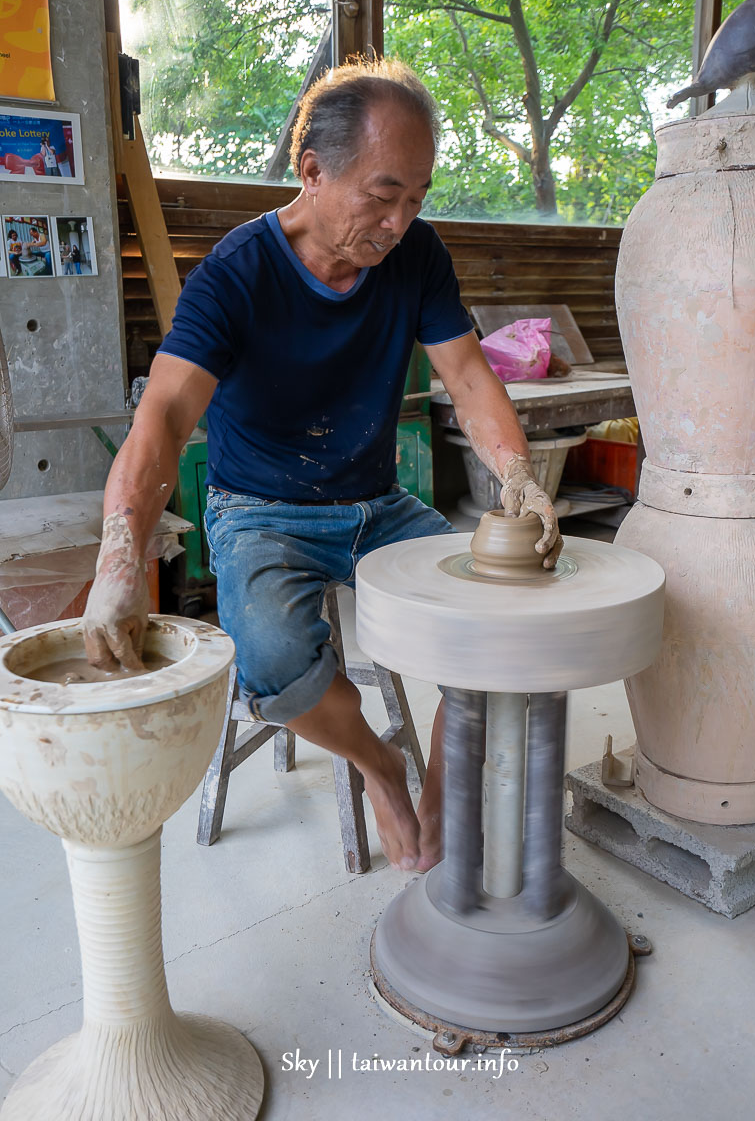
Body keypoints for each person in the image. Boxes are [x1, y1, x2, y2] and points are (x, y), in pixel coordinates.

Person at [82, 59, 562, 872]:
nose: (401, 222)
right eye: (382, 196)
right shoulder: (235, 274)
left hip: (378, 502)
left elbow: (471, 376)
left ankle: (444, 780)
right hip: (259, 508)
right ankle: (377, 765)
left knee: (501, 618)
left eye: (417, 198)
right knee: (266, 651)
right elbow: (161, 417)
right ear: (312, 171)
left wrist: (517, 476)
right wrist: (119, 557)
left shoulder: (416, 258)